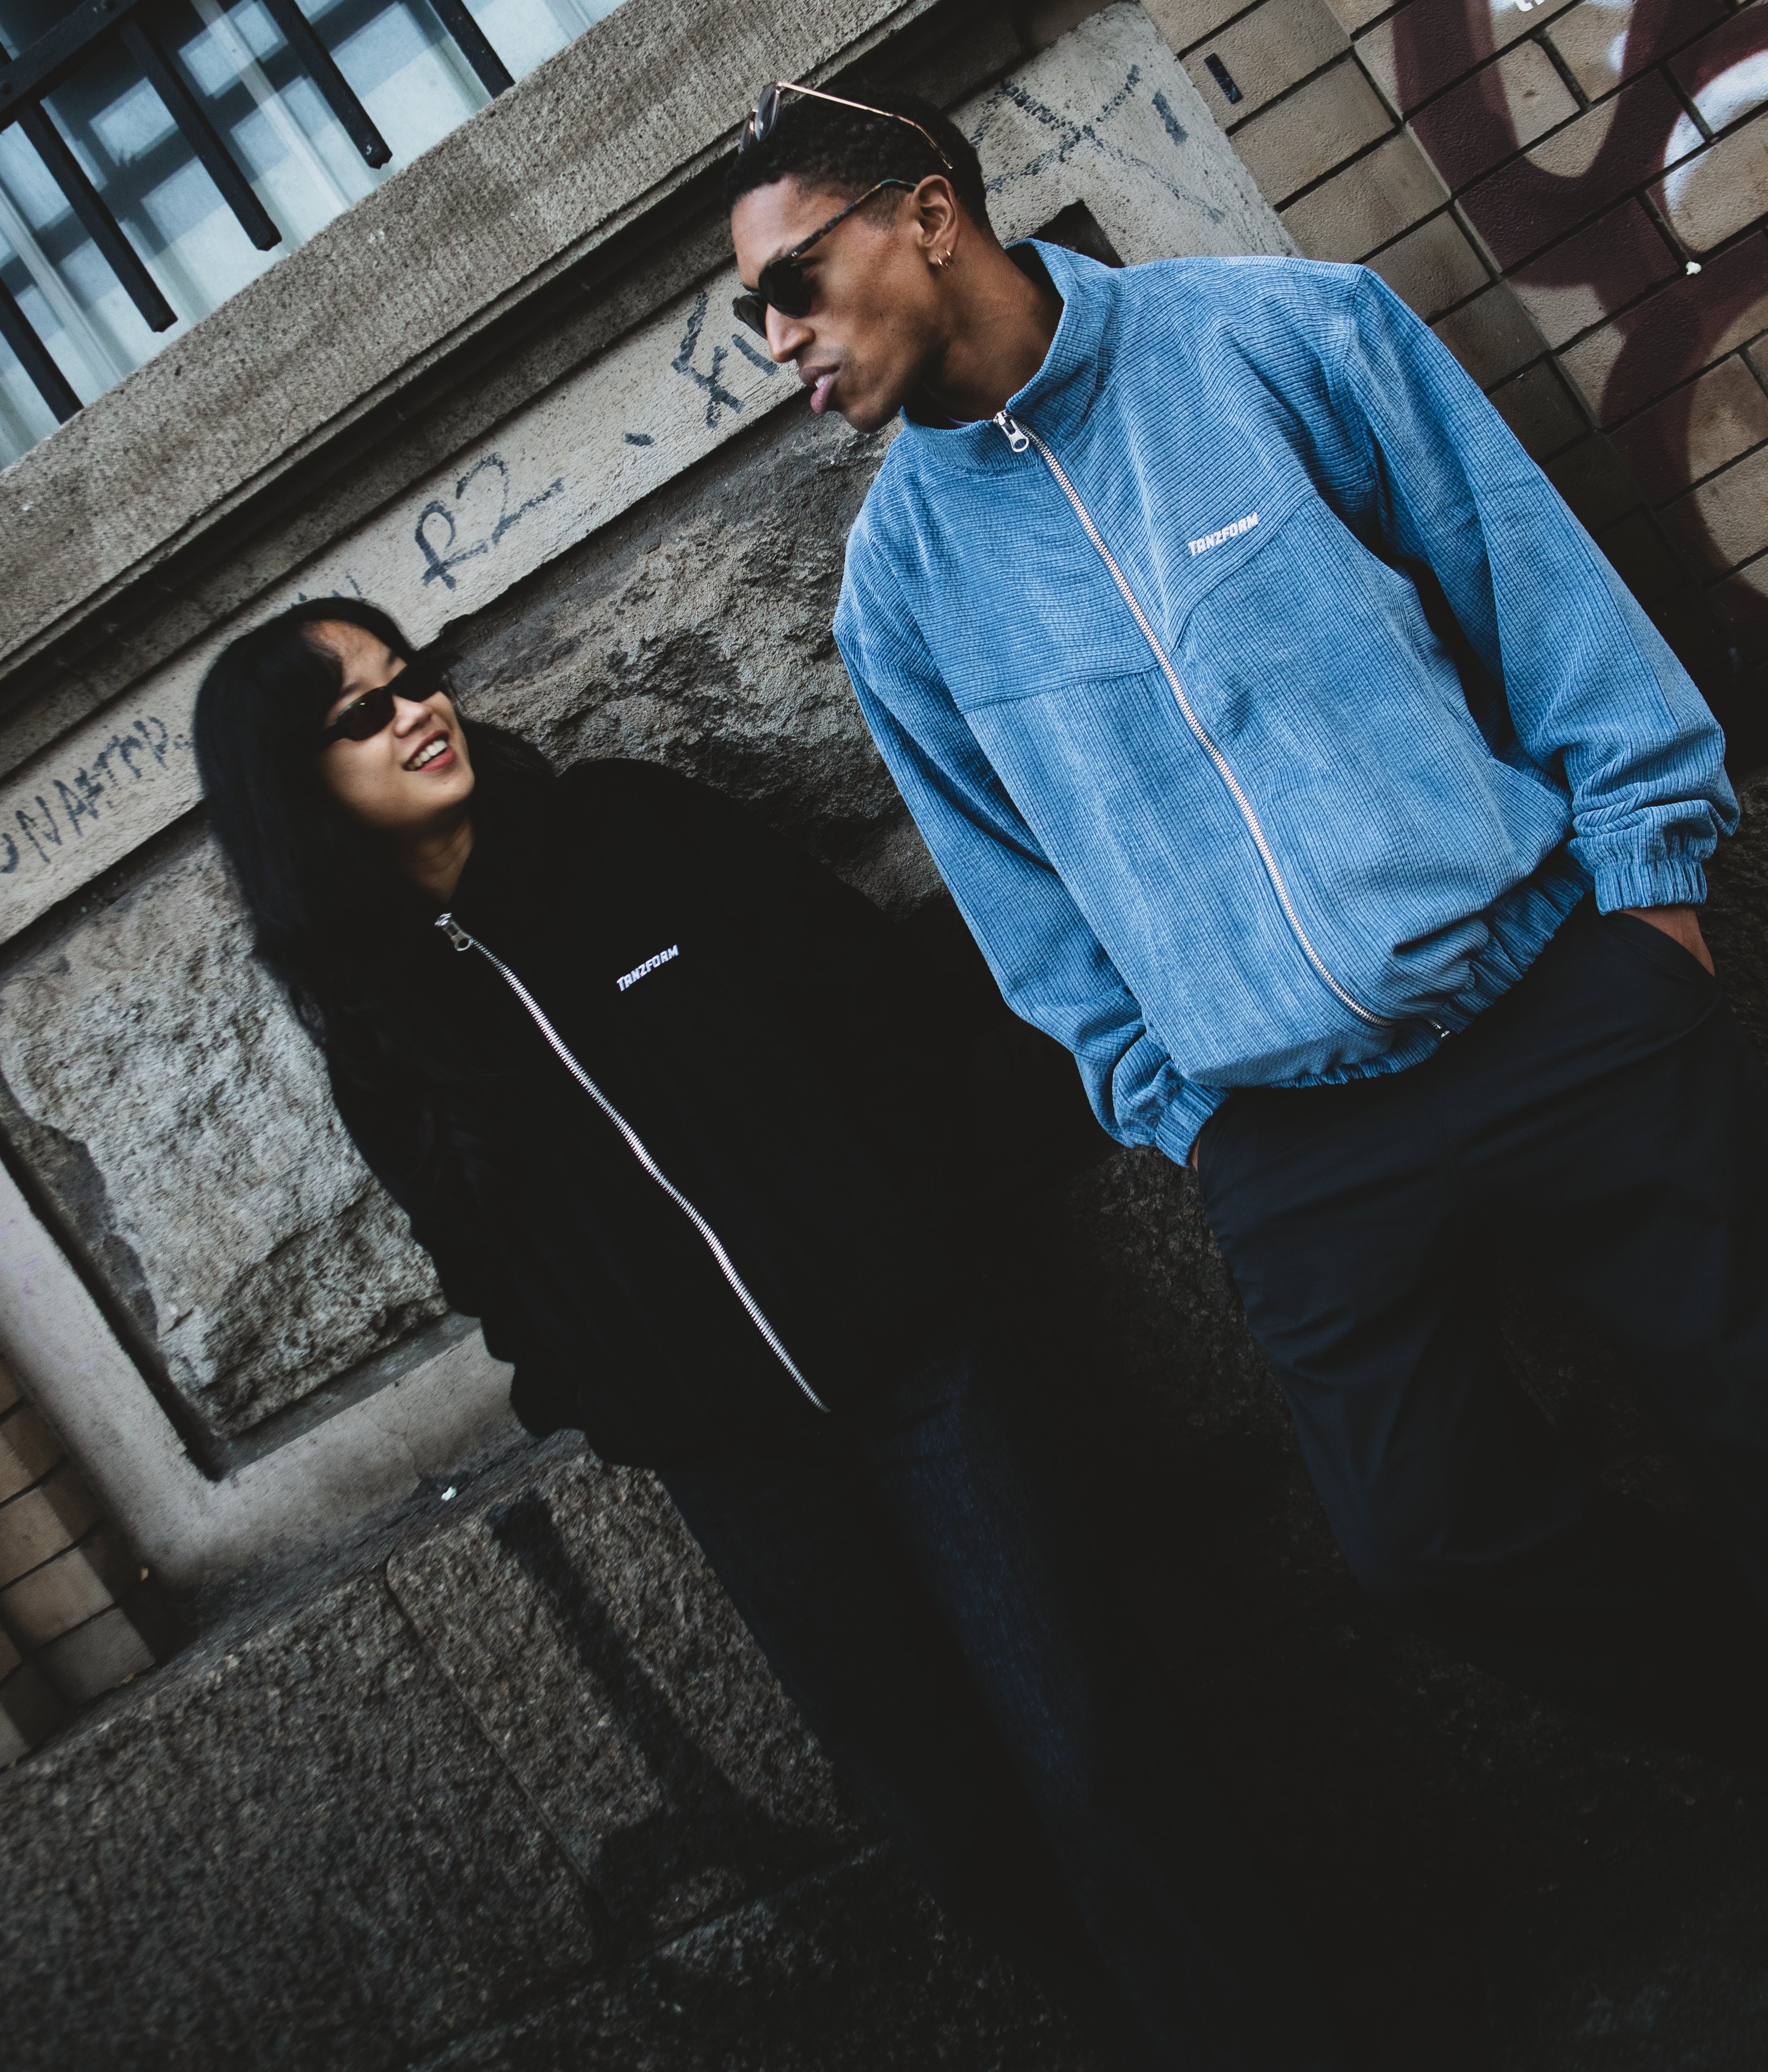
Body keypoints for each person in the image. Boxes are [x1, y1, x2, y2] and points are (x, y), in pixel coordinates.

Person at [726, 78, 1768, 1947]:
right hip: (1300, 1145)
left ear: (924, 214)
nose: (781, 346)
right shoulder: (898, 598)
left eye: (793, 285)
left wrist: (1650, 900)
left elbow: (1532, 594)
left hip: (1564, 998)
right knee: (1429, 1542)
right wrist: (1184, 1112)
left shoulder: (1287, 335)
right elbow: (1025, 909)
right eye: (756, 320)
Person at [192, 596, 1344, 2072]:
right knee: (946, 1816)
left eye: (414, 679)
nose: (419, 711)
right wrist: (622, 1403)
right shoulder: (386, 1032)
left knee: (1088, 1749)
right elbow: (486, 1267)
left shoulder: (626, 835)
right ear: (297, 785)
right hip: (740, 1466)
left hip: (921, 1375)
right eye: (364, 713)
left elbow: (879, 1010)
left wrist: (908, 1242)